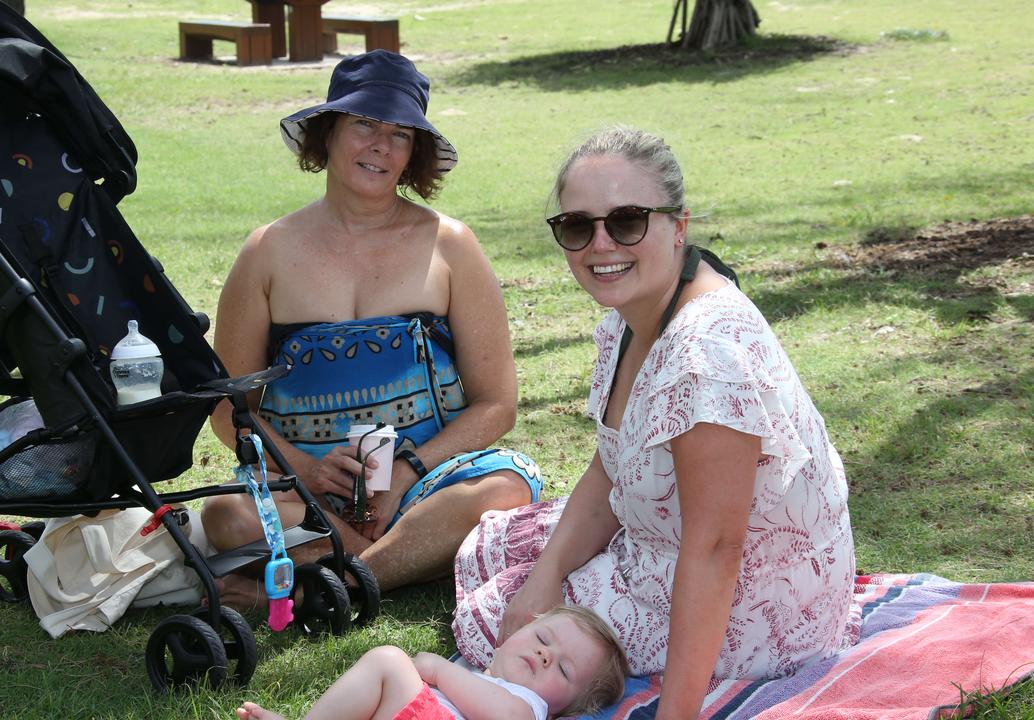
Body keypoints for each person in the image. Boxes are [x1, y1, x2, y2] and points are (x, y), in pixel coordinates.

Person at [452, 126, 857, 720]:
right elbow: (611, 462)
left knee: (491, 621)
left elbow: (718, 545)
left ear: (679, 226)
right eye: (576, 226)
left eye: (627, 220)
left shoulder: (707, 356)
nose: (601, 244)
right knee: (498, 553)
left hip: (753, 602)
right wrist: (548, 576)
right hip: (668, 543)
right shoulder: (633, 314)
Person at [203, 50, 542, 605]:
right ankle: (397, 561)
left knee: (504, 489)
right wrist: (310, 473)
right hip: (311, 493)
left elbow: (496, 405)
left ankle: (332, 583)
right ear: (329, 133)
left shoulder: (451, 245)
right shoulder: (267, 252)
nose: (381, 146)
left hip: (429, 484)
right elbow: (229, 412)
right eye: (364, 125)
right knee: (226, 516)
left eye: (401, 134)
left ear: (415, 153)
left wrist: (408, 470)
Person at [235, 606, 629, 720]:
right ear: (515, 632)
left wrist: (441, 670)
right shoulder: (477, 679)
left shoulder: (529, 707)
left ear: (572, 707)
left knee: (390, 662)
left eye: (563, 669)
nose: (546, 655)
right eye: (544, 639)